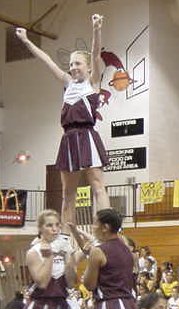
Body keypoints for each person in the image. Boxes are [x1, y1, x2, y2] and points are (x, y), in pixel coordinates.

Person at [15, 15, 110, 231]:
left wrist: (96, 28)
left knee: (97, 185)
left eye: (78, 63)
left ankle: (107, 228)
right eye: (71, 64)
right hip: (68, 139)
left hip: (87, 135)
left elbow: (95, 53)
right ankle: (67, 235)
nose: (73, 67)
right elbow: (47, 60)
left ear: (88, 67)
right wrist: (26, 40)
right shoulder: (67, 83)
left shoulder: (93, 82)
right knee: (68, 193)